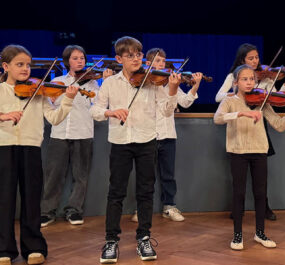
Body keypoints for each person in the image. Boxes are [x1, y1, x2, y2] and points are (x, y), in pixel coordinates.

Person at [90, 36, 180, 263]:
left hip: (147, 141)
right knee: (116, 193)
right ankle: (111, 241)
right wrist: (111, 112)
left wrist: (173, 89)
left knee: (145, 192)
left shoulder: (153, 81)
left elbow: (168, 111)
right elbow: (96, 110)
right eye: (130, 55)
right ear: (119, 59)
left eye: (139, 54)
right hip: (120, 142)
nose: (136, 59)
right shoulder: (110, 83)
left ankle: (144, 238)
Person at [0, 45, 78, 265]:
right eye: (20, 64)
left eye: (28, 65)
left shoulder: (38, 91)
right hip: (4, 148)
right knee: (4, 200)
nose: (26, 69)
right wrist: (4, 116)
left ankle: (33, 246)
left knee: (32, 200)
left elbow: (54, 118)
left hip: (31, 148)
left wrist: (69, 99)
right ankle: (3, 249)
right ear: (6, 66)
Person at [214, 64, 285, 250]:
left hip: (259, 151)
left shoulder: (263, 102)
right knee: (239, 194)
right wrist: (241, 113)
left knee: (261, 193)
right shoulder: (230, 100)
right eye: (245, 79)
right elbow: (218, 118)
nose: (249, 82)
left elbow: (279, 125)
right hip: (238, 152)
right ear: (236, 82)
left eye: (252, 79)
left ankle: (260, 233)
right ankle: (237, 235)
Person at [216, 43, 285, 220]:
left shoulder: (266, 78)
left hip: (259, 123)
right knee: (239, 179)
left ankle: (264, 208)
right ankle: (238, 210)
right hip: (239, 128)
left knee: (260, 179)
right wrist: (238, 96)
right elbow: (218, 98)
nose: (255, 61)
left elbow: (275, 98)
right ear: (242, 60)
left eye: (256, 57)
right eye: (250, 58)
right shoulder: (234, 77)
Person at [40, 45, 111, 227]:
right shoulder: (58, 81)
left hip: (83, 133)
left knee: (80, 176)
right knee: (53, 175)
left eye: (82, 58)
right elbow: (49, 104)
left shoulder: (95, 83)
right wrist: (56, 98)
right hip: (59, 133)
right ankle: (47, 212)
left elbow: (100, 107)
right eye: (75, 58)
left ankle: (74, 211)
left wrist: (106, 82)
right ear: (67, 61)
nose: (80, 61)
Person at [131, 48, 202, 223]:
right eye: (157, 61)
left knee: (168, 175)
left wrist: (195, 86)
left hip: (168, 135)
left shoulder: (171, 83)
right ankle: (141, 208)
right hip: (146, 135)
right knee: (145, 175)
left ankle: (169, 206)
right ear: (148, 64)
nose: (161, 64)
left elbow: (185, 103)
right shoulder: (143, 83)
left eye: (163, 61)